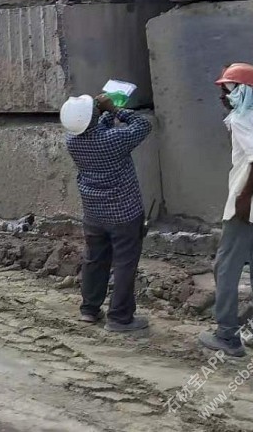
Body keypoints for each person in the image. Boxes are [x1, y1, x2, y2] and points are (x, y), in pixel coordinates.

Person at [199, 63, 253, 358]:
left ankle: (227, 336)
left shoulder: (241, 119)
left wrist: (244, 197)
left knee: (225, 268)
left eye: (225, 89)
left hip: (246, 207)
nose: (222, 96)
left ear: (238, 90)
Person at [61, 93, 153, 331]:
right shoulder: (114, 140)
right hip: (124, 213)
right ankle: (120, 317)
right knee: (124, 264)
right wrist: (114, 109)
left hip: (94, 213)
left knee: (95, 260)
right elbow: (143, 124)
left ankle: (89, 309)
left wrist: (101, 115)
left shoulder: (72, 141)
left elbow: (94, 131)